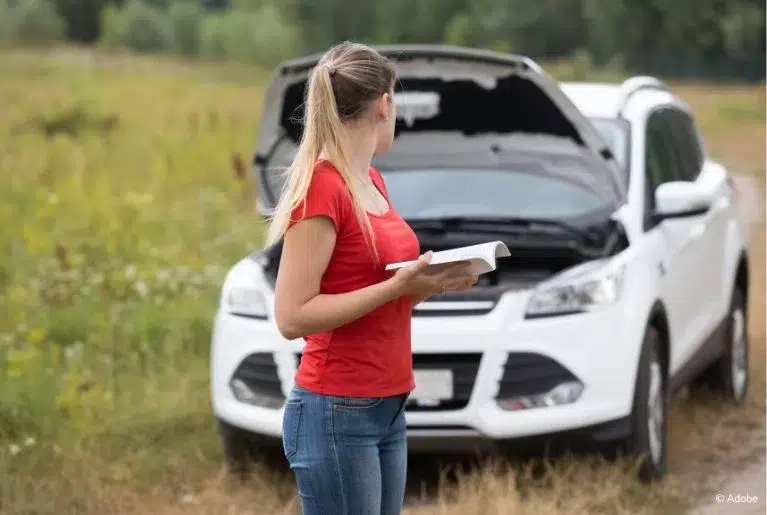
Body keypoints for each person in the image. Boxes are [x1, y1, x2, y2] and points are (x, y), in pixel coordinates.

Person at [265, 41, 478, 515]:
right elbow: (292, 315)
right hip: (337, 410)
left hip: (386, 406)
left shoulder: (371, 180)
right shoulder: (323, 187)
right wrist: (398, 288)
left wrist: (430, 284)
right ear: (384, 104)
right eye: (395, 101)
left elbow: (374, 295)